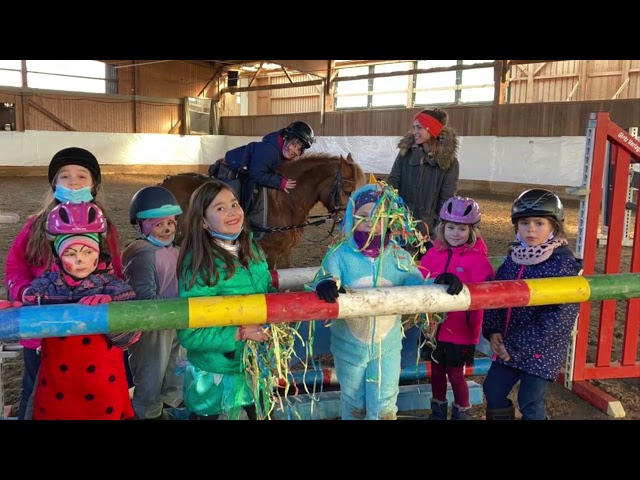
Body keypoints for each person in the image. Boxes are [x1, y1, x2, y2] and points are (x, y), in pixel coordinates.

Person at [312, 182, 461, 420]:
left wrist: (438, 283)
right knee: (353, 402)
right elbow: (326, 276)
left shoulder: (398, 257)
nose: (370, 222)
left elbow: (416, 284)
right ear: (352, 217)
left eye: (379, 216)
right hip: (348, 349)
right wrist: (325, 283)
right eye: (362, 216)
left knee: (384, 405)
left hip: (387, 348)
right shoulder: (339, 255)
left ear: (391, 219)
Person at [3, 146, 127, 420]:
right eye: (65, 176)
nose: (73, 182)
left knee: (93, 395)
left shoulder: (107, 228)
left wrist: (110, 297)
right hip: (42, 330)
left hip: (92, 332)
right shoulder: (35, 225)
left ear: (94, 184)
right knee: (34, 392)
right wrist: (24, 292)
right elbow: (15, 266)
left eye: (81, 176)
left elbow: (116, 272)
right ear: (54, 184)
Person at [21, 201, 139, 420]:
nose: (80, 260)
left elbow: (130, 337)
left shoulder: (114, 287)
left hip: (103, 388)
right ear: (58, 254)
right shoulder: (45, 286)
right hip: (58, 387)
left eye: (87, 251)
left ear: (98, 252)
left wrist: (112, 312)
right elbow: (28, 327)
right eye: (71, 253)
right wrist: (16, 309)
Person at [176, 179, 275, 420]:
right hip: (215, 377)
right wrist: (241, 333)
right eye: (219, 208)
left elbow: (267, 293)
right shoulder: (200, 266)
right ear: (202, 221)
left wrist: (278, 315)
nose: (232, 212)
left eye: (234, 204)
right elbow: (191, 334)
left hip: (254, 368)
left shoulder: (253, 250)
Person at [482, 188, 582, 420]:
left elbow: (560, 317)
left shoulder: (562, 265)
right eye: (524, 223)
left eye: (539, 223)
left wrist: (517, 345)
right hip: (508, 342)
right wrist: (493, 329)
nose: (531, 229)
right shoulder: (515, 256)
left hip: (540, 350)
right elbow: (499, 293)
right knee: (493, 390)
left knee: (530, 401)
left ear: (554, 227)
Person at [419, 196, 495, 420]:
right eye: (451, 227)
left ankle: (462, 411)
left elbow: (486, 289)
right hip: (434, 328)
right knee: (437, 372)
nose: (455, 233)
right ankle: (438, 410)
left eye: (462, 228)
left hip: (461, 329)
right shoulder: (433, 253)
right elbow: (421, 278)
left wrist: (465, 286)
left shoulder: (478, 260)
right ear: (442, 228)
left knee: (455, 373)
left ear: (472, 231)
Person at [121, 185, 186, 420]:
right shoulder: (142, 255)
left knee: (175, 370)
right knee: (151, 374)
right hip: (153, 327)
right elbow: (144, 296)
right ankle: (147, 413)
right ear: (142, 226)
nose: (166, 229)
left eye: (170, 223)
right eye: (158, 224)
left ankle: (167, 410)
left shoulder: (176, 251)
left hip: (176, 321)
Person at [386, 108, 460, 257]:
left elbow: (446, 200)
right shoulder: (404, 155)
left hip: (428, 232)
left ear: (432, 130)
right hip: (400, 227)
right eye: (413, 127)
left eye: (419, 127)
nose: (414, 132)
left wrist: (438, 232)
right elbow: (393, 180)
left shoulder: (449, 164)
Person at [208, 121, 315, 214]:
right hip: (232, 167)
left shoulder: (283, 152)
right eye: (293, 144)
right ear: (286, 138)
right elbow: (256, 175)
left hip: (250, 169)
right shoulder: (269, 151)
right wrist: (280, 183)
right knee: (233, 201)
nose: (293, 150)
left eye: (298, 148)